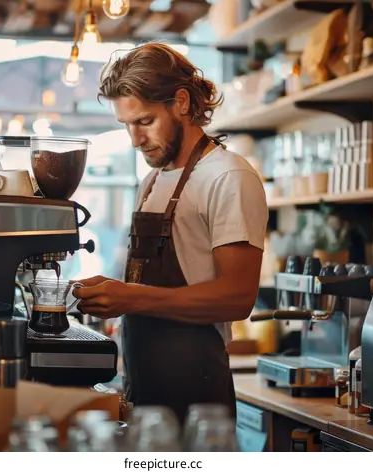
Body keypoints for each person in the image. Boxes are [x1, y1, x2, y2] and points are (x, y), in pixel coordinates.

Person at [74, 43, 269, 425]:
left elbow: (237, 298)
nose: (135, 139)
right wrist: (109, 292)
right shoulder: (150, 181)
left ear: (181, 102)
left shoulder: (228, 176)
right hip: (142, 386)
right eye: (127, 125)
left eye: (144, 121)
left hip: (197, 397)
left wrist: (131, 297)